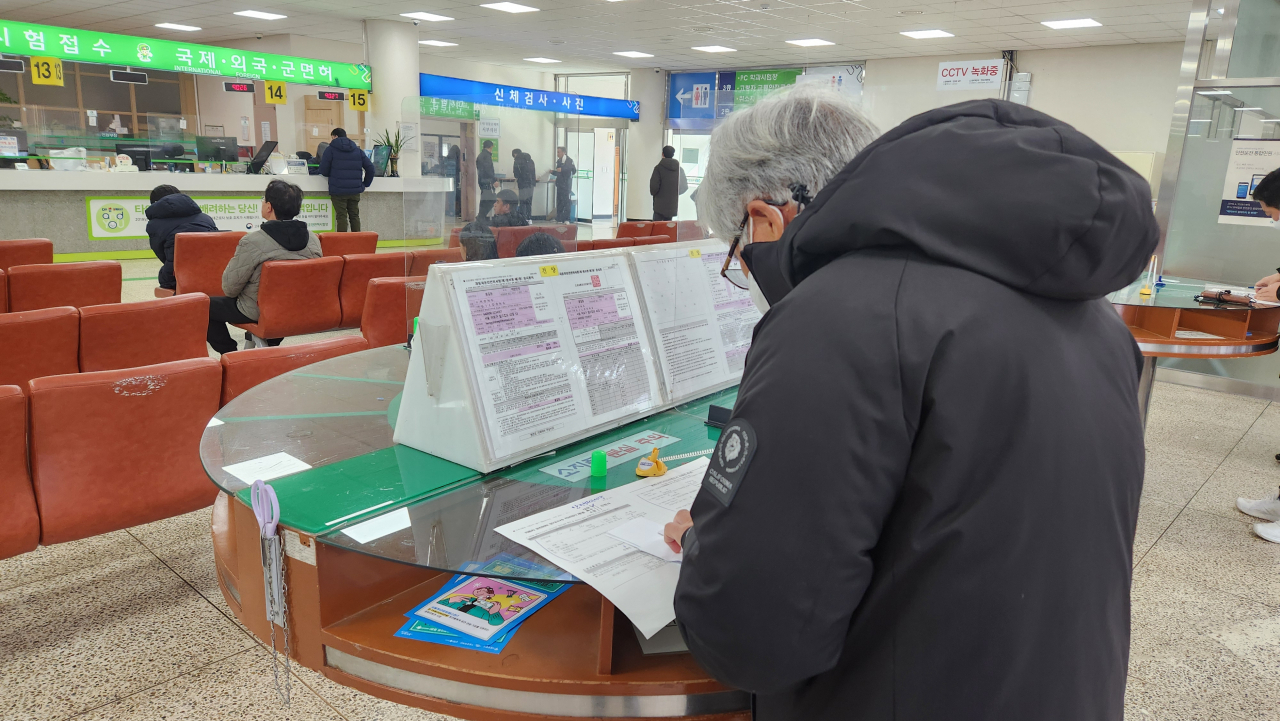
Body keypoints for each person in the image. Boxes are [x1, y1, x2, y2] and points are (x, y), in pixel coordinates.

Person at [662, 86, 1158, 720]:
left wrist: (707, 544)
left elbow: (757, 636)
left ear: (763, 217)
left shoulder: (836, 317)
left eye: (738, 250)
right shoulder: (1092, 315)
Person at [207, 179, 321, 354]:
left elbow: (229, 289)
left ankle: (230, 353)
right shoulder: (313, 240)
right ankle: (270, 344)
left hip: (259, 311)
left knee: (202, 306)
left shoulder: (252, 241)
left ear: (269, 207)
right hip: (298, 307)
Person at [146, 184, 217, 291]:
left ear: (155, 203)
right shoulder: (205, 218)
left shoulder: (154, 224)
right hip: (214, 273)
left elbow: (161, 253)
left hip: (177, 278)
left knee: (164, 275)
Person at [318, 127, 374, 231]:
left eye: (332, 137)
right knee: (354, 216)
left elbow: (324, 170)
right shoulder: (357, 150)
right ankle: (357, 243)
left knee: (341, 217)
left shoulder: (330, 150)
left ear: (335, 136)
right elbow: (370, 168)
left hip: (338, 190)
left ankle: (342, 244)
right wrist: (364, 184)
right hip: (355, 191)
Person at [650, 145, 688, 221]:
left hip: (659, 205)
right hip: (672, 206)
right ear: (673, 155)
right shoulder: (679, 169)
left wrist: (655, 194)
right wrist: (675, 193)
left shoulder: (658, 168)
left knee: (657, 228)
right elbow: (684, 186)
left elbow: (654, 187)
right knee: (668, 228)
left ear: (662, 154)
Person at [548, 146, 576, 223]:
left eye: (559, 152)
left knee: (566, 201)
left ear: (564, 152)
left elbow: (572, 170)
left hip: (566, 185)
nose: (557, 154)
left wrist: (562, 169)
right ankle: (559, 218)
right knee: (559, 201)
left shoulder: (569, 161)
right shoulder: (559, 161)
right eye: (557, 152)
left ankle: (567, 218)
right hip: (560, 184)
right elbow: (559, 172)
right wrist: (553, 172)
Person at [512, 148, 537, 219]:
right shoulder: (531, 160)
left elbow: (516, 174)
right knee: (529, 202)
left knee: (523, 201)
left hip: (522, 184)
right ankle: (529, 218)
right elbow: (533, 172)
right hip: (531, 183)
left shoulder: (517, 161)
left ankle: (523, 218)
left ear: (515, 154)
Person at [477, 140, 498, 219]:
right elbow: (488, 170)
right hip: (487, 181)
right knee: (491, 200)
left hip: (482, 181)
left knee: (484, 200)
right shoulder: (486, 156)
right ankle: (481, 217)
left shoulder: (480, 156)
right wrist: (494, 180)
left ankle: (481, 217)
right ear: (491, 146)